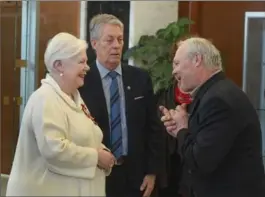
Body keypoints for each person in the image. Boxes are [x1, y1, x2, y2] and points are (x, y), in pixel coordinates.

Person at [6, 32, 115, 196]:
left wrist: (103, 151)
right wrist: (96, 157)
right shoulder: (45, 98)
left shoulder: (74, 97)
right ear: (59, 65)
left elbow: (87, 136)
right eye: (81, 62)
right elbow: (54, 149)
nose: (87, 67)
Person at [160, 37, 265, 197]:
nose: (173, 71)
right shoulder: (215, 93)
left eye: (177, 63)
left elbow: (200, 161)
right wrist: (179, 131)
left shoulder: (218, 100)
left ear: (197, 60)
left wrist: (182, 128)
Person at [79, 14, 163, 197]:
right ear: (94, 43)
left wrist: (152, 171)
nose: (116, 45)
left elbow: (153, 127)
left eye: (120, 39)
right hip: (96, 173)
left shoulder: (140, 78)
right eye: (109, 40)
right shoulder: (82, 82)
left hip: (136, 175)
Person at [155, 79, 192, 197]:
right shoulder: (163, 95)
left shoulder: (205, 97)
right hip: (167, 164)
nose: (176, 70)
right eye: (175, 64)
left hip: (192, 161)